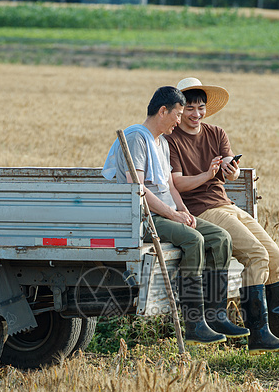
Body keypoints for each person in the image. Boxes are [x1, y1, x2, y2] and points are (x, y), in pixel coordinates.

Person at [165, 77, 279, 355]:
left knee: (275, 257)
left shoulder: (217, 133)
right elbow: (177, 184)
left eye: (201, 107)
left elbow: (229, 170)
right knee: (256, 256)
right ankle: (258, 334)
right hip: (200, 210)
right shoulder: (171, 140)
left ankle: (278, 324)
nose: (196, 114)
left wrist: (230, 171)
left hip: (225, 204)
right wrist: (207, 175)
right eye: (189, 108)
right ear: (179, 108)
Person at [102, 85, 249, 346]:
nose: (180, 120)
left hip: (168, 213)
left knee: (221, 238)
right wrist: (172, 213)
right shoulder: (137, 138)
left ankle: (215, 314)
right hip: (145, 217)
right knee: (194, 240)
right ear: (162, 111)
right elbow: (138, 188)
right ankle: (194, 323)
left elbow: (169, 186)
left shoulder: (160, 142)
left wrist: (183, 211)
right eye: (178, 114)